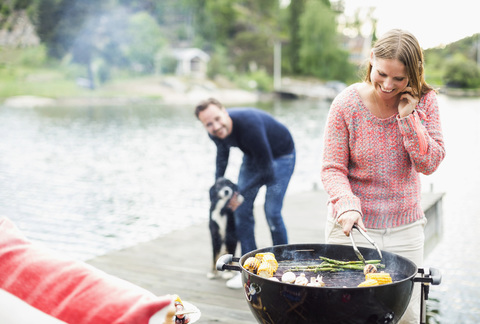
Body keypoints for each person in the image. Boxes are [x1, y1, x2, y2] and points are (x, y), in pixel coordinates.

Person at [321, 29, 445, 324]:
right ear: (371, 60)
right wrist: (347, 203)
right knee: (343, 313)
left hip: (405, 230)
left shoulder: (426, 102)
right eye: (381, 74)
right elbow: (332, 168)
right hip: (351, 227)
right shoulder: (346, 104)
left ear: (413, 76)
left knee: (406, 315)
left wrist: (408, 118)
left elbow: (428, 163)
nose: (387, 85)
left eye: (399, 79)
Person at [195, 98, 296, 289]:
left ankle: (284, 266)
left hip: (281, 156)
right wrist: (218, 184)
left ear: (225, 111)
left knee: (272, 211)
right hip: (253, 155)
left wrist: (240, 193)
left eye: (217, 118)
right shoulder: (215, 132)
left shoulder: (249, 124)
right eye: (209, 124)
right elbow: (222, 156)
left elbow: (267, 170)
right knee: (240, 210)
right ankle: (249, 269)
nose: (215, 126)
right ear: (204, 125)